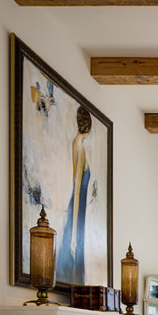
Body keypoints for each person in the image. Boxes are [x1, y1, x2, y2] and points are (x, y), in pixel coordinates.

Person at [56, 105, 92, 286]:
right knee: (73, 245)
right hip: (78, 206)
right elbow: (76, 188)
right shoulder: (79, 147)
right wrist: (74, 234)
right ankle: (73, 277)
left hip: (79, 206)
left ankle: (74, 279)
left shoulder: (77, 144)